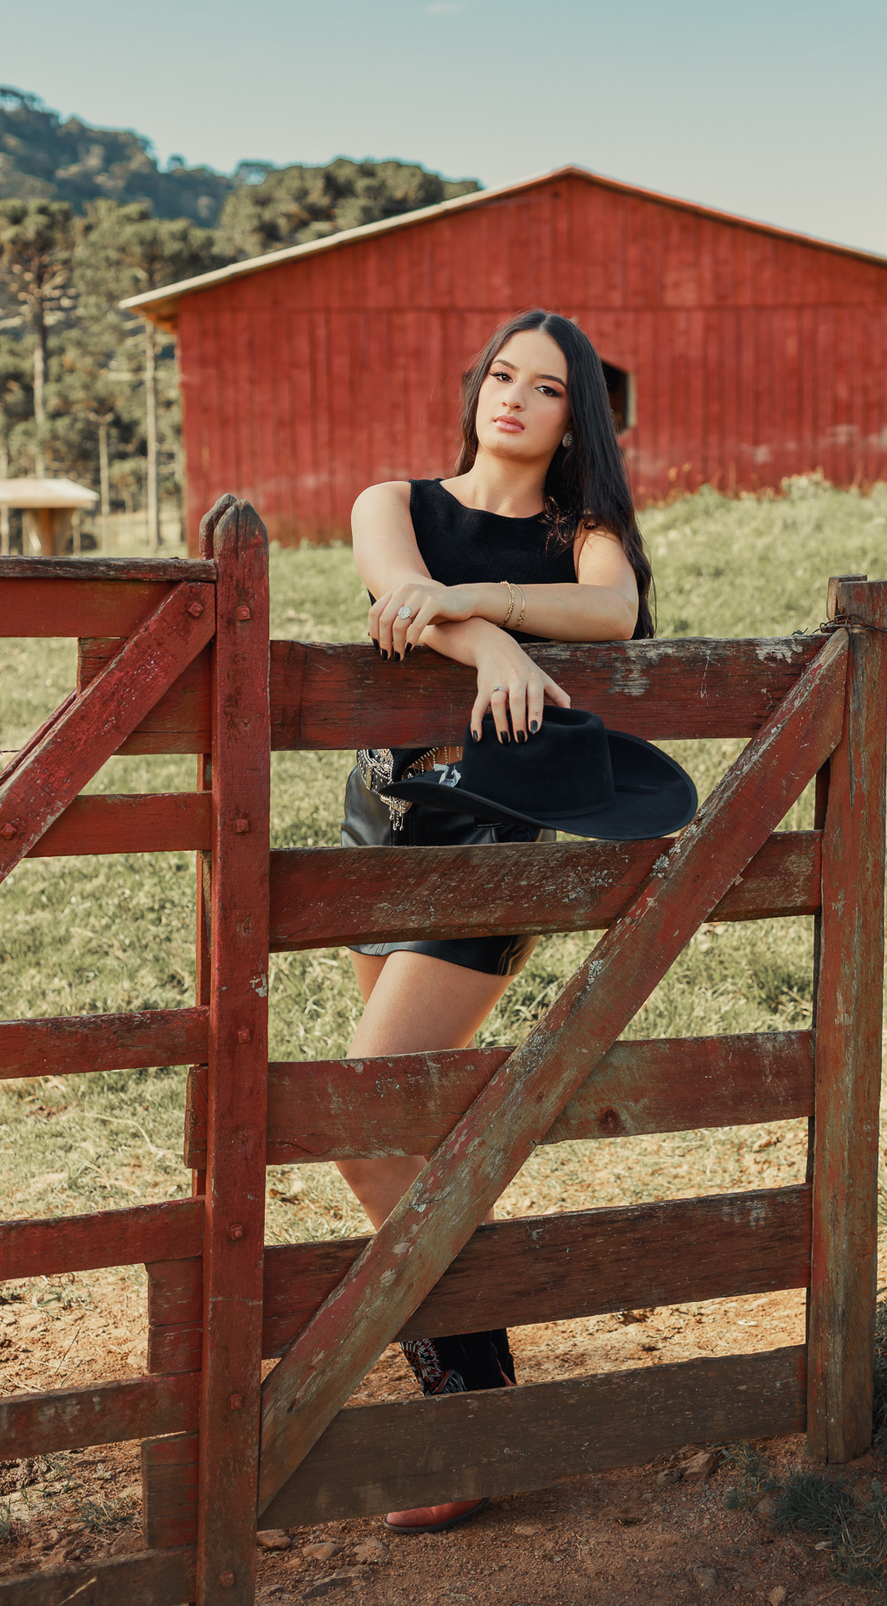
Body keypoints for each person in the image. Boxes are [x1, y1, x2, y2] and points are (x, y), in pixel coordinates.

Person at [338, 309, 656, 1533]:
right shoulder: (393, 498)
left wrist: (477, 610)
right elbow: (395, 587)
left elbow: (615, 616)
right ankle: (478, 1414)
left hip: (490, 840)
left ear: (580, 418)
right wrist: (486, 645)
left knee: (367, 1122)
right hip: (380, 822)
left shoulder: (588, 535)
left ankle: (470, 1417)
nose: (515, 400)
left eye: (549, 389)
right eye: (503, 377)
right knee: (409, 1136)